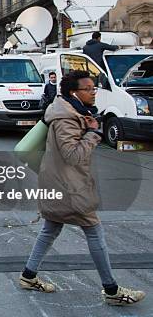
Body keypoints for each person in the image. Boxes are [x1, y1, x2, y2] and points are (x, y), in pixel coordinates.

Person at [19, 70, 145, 306]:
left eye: (94, 88)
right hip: (69, 187)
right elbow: (72, 155)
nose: (93, 92)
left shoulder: (69, 110)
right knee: (94, 231)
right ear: (74, 92)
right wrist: (93, 133)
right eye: (88, 89)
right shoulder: (67, 118)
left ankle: (28, 275)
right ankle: (111, 290)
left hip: (57, 182)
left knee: (50, 228)